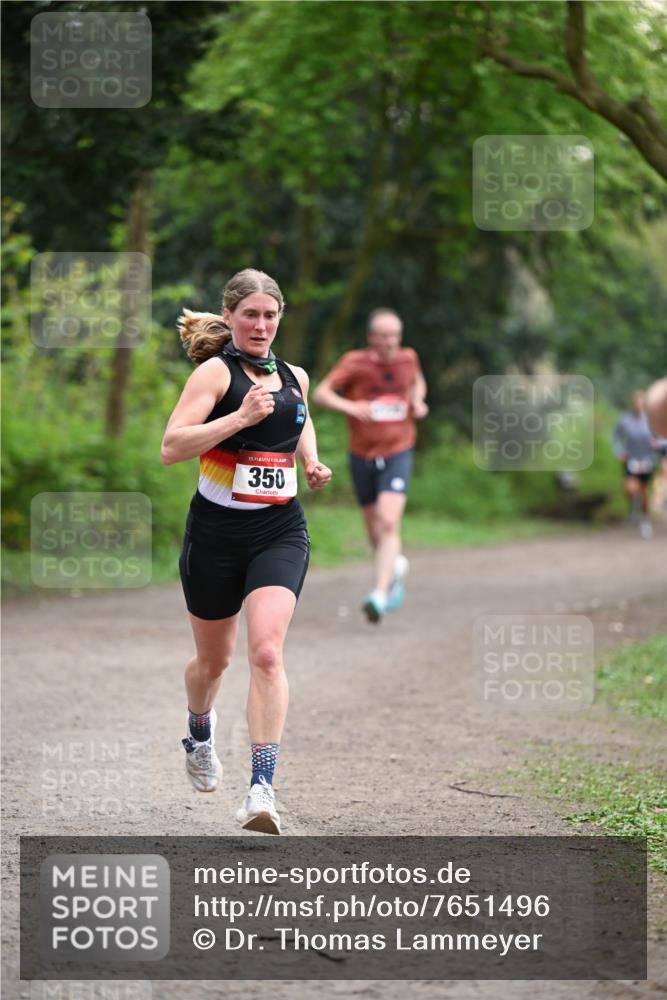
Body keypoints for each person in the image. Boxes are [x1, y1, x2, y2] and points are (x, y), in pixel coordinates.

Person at [161, 269, 332, 835]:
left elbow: (298, 422)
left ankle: (261, 790)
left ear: (280, 317)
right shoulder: (215, 374)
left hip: (278, 530)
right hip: (213, 536)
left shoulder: (294, 376)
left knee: (265, 653)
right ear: (231, 316)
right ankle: (199, 729)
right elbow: (171, 447)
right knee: (214, 662)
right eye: (251, 315)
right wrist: (238, 418)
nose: (261, 325)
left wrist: (310, 460)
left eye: (270, 315)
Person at [312, 308, 427, 623]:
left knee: (389, 523)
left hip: (398, 450)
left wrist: (417, 402)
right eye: (384, 336)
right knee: (374, 531)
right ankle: (395, 567)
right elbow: (320, 393)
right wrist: (352, 406)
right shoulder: (354, 362)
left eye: (395, 336)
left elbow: (418, 383)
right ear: (371, 338)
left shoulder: (408, 358)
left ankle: (379, 592)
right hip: (361, 454)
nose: (390, 342)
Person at [612, 389, 657, 539]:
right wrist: (619, 451)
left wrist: (656, 443)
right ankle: (633, 506)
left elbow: (663, 437)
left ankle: (645, 519)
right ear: (632, 403)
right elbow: (616, 436)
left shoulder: (651, 420)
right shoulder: (625, 419)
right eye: (636, 401)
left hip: (647, 460)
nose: (638, 404)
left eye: (641, 401)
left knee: (644, 493)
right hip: (631, 460)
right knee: (630, 488)